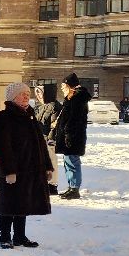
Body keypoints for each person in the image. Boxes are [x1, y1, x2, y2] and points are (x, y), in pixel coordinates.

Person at [0, 82, 53, 249]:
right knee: (8, 203)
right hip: (13, 170)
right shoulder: (3, 117)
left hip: (30, 169)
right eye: (22, 94)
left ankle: (19, 236)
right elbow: (2, 147)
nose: (26, 96)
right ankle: (5, 237)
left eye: (27, 93)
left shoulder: (30, 116)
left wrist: (47, 166)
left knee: (23, 202)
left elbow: (40, 144)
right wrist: (9, 171)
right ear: (13, 97)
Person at [53, 72, 90, 200]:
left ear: (70, 86)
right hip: (70, 136)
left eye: (63, 86)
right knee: (68, 161)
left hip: (73, 136)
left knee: (72, 162)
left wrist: (68, 134)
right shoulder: (72, 98)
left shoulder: (77, 99)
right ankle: (71, 187)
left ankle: (74, 188)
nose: (62, 88)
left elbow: (74, 119)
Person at [34, 84, 61, 196]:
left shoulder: (55, 106)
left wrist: (51, 139)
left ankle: (52, 185)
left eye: (40, 93)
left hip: (50, 140)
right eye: (37, 93)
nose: (38, 96)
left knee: (51, 161)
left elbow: (55, 125)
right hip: (40, 139)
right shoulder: (40, 107)